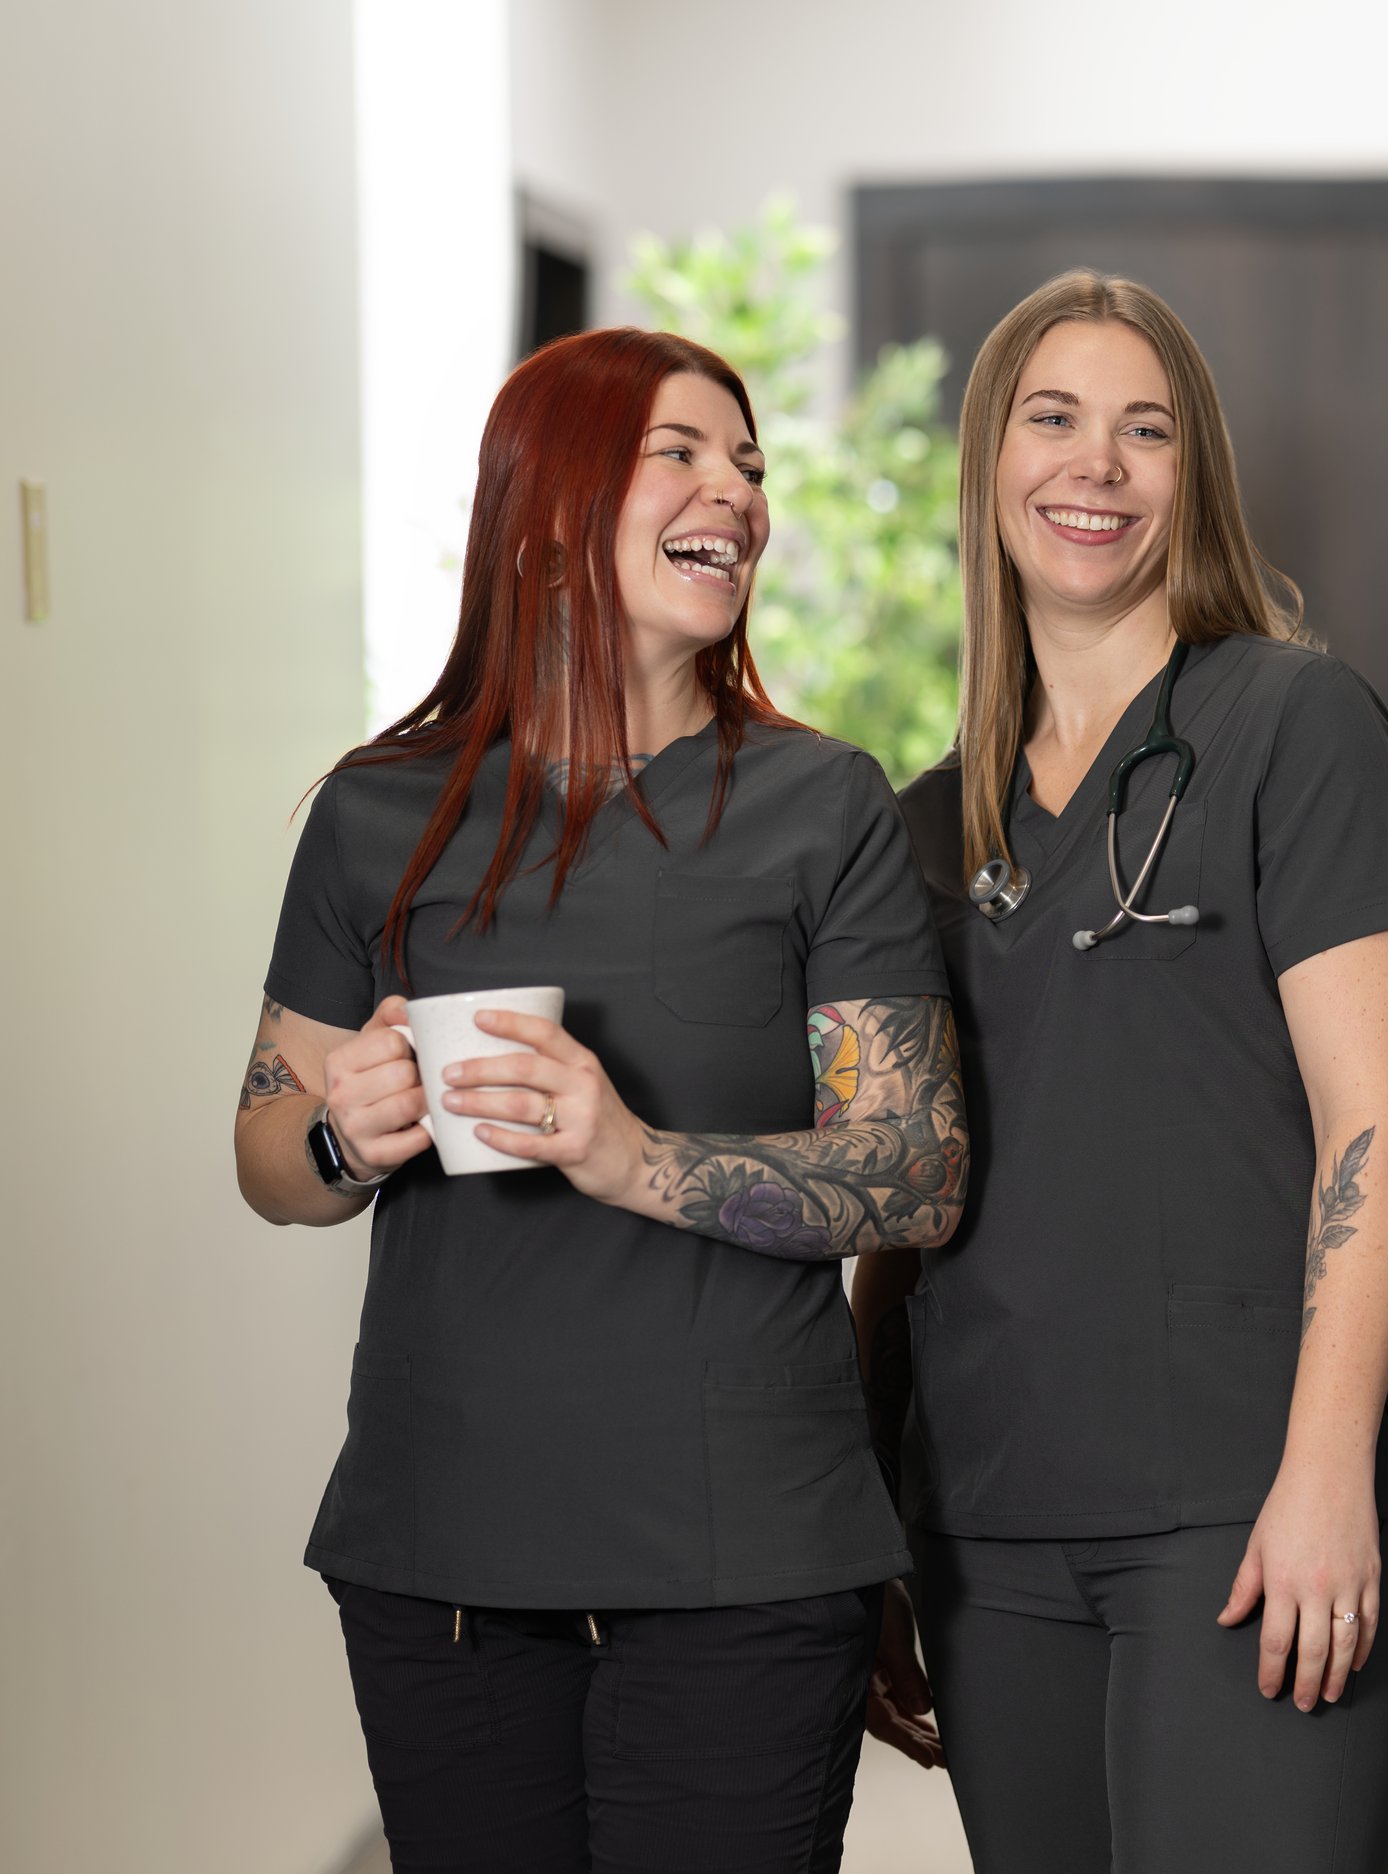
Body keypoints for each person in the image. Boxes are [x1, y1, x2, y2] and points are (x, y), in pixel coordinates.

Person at [232, 327, 968, 1874]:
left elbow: (914, 1172)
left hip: (748, 1563)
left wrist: (640, 1157)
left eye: (752, 466)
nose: (739, 496)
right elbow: (265, 1148)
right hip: (442, 1563)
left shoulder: (819, 804)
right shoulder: (379, 813)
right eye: (684, 454)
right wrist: (336, 1133)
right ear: (551, 507)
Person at [848, 270, 1388, 1873]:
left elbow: (1380, 1125)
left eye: (1145, 429)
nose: (1093, 466)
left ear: (1199, 478)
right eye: (1052, 420)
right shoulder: (927, 824)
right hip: (991, 1508)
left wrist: (1327, 1473)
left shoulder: (1292, 727)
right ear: (990, 464)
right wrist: (877, 1524)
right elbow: (901, 1209)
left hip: (1245, 1498)